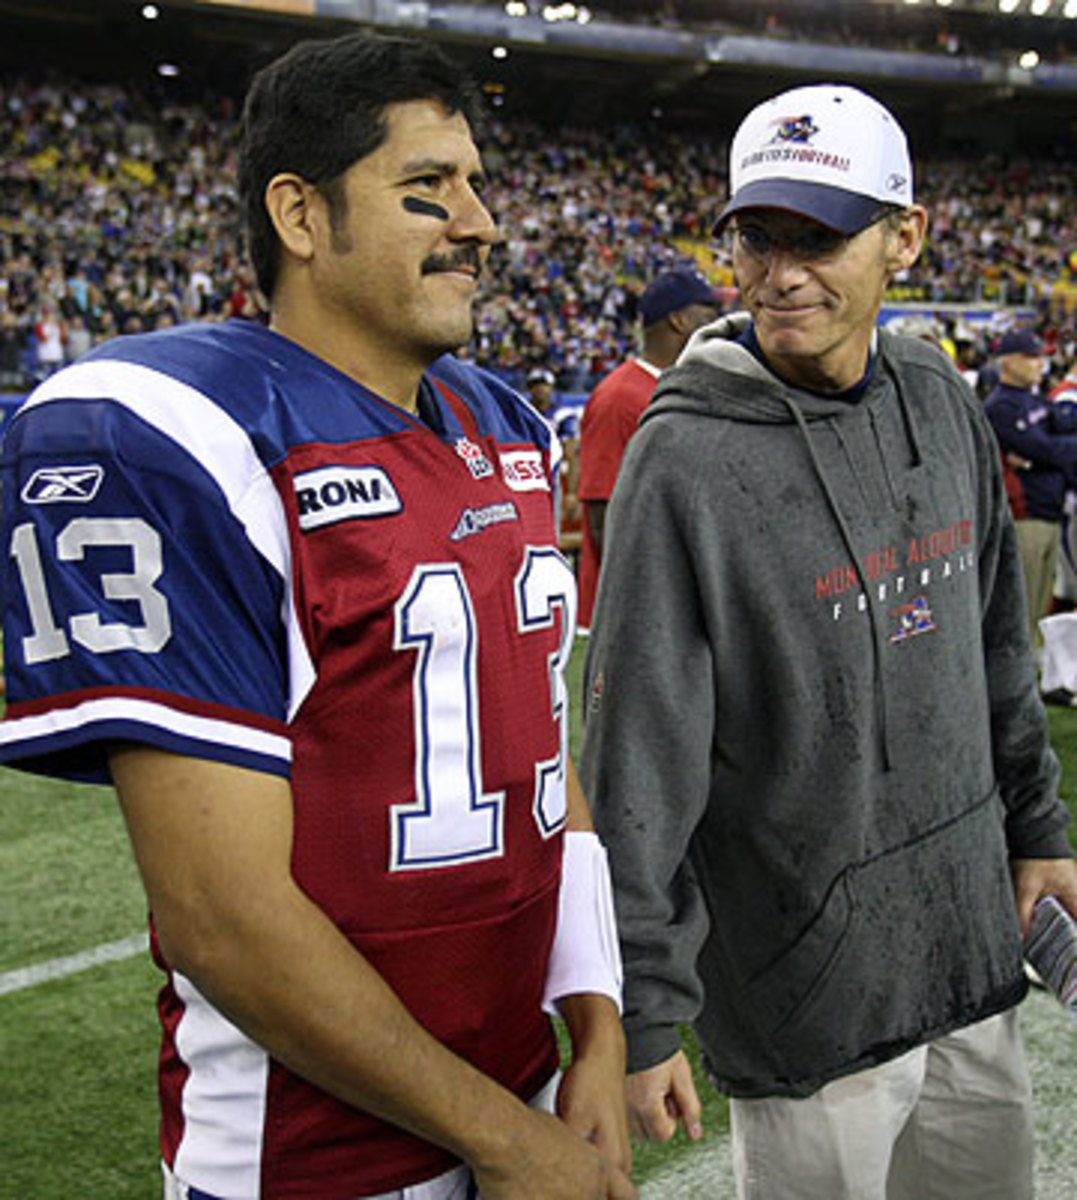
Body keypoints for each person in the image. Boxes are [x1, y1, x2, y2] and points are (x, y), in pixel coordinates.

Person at [0, 32, 633, 1200]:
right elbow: (218, 916)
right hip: (311, 1163)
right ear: (299, 214)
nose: (481, 223)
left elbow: (538, 749)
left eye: (479, 185)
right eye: (426, 190)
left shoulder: (497, 420)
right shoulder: (173, 432)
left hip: (517, 1089)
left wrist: (596, 1028)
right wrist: (503, 1137)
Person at [580, 82, 1077, 1200]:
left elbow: (998, 636)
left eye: (820, 237)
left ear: (906, 237)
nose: (782, 272)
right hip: (807, 990)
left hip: (968, 956)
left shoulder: (938, 396)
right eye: (758, 238)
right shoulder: (687, 459)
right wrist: (647, 1006)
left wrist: (1036, 828)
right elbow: (639, 753)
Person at [575, 268, 719, 630]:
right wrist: (643, 604)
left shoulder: (685, 386)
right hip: (631, 616)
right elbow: (601, 513)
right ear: (680, 320)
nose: (719, 325)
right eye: (709, 315)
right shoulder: (620, 396)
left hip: (675, 604)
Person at [984, 327, 1077, 651]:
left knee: (1040, 600)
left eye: (1041, 357)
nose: (1040, 364)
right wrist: (1053, 453)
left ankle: (1035, 669)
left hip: (1049, 510)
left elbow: (1057, 439)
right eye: (1031, 357)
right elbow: (1048, 450)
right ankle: (1014, 674)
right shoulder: (1001, 406)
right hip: (1024, 514)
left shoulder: (1034, 399)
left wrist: (1050, 452)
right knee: (1020, 603)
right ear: (1007, 362)